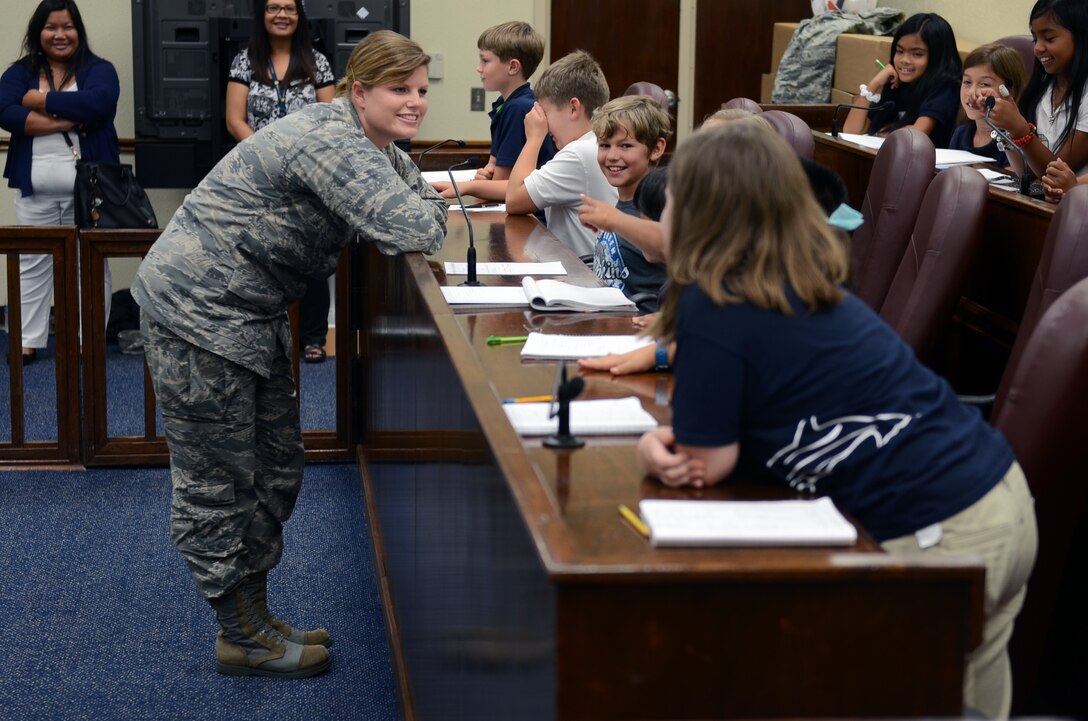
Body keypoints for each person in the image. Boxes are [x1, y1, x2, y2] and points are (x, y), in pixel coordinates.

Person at [636, 122, 1037, 720]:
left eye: (669, 199)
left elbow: (703, 462)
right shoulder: (798, 282)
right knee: (967, 703)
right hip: (999, 499)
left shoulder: (713, 300)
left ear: (698, 212)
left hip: (938, 531)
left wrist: (651, 447)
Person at [131, 30, 446, 679]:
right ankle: (239, 632)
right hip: (200, 312)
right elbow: (417, 224)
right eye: (399, 90)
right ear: (359, 91)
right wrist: (416, 208)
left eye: (421, 90)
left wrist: (416, 203)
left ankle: (256, 613)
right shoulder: (333, 140)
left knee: (276, 465)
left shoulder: (370, 141)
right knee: (217, 479)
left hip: (252, 310)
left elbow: (418, 202)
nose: (414, 102)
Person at [0, 0, 117, 364]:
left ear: (79, 31)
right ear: (39, 32)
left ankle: (87, 341)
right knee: (32, 264)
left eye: (68, 27)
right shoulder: (19, 72)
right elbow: (7, 112)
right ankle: (26, 341)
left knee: (90, 265)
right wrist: (67, 118)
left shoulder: (99, 69)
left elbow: (99, 104)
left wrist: (38, 101)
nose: (60, 35)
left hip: (92, 191)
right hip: (35, 189)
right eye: (51, 27)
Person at [227, 0, 336, 364]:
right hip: (260, 173)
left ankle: (313, 337)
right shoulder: (245, 60)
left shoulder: (317, 62)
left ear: (299, 15)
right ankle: (264, 338)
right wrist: (268, 156)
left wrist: (300, 162)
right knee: (261, 256)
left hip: (308, 175)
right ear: (262, 14)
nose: (281, 14)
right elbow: (234, 120)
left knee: (310, 255)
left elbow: (330, 121)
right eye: (273, 7)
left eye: (289, 8)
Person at [504, 50, 615, 258]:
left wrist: (534, 139)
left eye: (545, 113)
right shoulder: (591, 144)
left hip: (584, 276)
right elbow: (522, 189)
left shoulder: (578, 154)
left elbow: (514, 200)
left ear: (574, 108)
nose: (543, 123)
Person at [430, 21, 554, 202]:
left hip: (532, 216)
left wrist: (473, 186)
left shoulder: (518, 108)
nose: (478, 68)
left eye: (485, 60)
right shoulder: (504, 104)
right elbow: (493, 168)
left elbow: (503, 182)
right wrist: (486, 178)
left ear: (513, 67)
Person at [983, 0, 1088, 201]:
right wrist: (1006, 127)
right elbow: (1026, 172)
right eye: (1034, 38)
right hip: (1041, 201)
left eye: (1048, 38)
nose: (1038, 48)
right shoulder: (1042, 86)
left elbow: (1054, 175)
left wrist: (1021, 130)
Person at [578, 95, 670, 312]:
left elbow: (668, 244)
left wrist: (615, 220)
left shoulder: (660, 200)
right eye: (604, 145)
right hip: (607, 319)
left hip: (639, 327)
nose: (612, 156)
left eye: (626, 146)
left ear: (656, 148)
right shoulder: (622, 202)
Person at [843, 13, 962, 148]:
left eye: (917, 54)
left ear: (937, 57)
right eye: (899, 51)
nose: (904, 60)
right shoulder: (896, 84)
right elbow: (851, 132)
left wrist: (886, 131)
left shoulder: (947, 86)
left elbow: (916, 134)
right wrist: (873, 85)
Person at [951, 44, 1028, 167]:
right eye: (967, 82)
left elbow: (1013, 182)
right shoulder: (960, 134)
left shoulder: (1015, 139)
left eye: (985, 84)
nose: (972, 92)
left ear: (1010, 91)